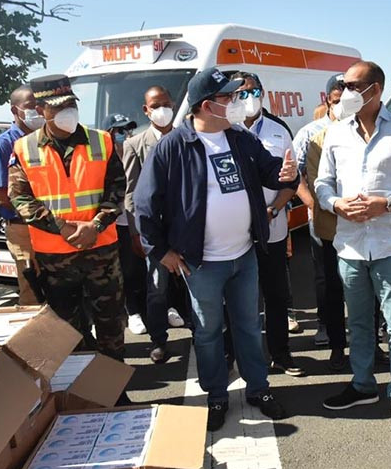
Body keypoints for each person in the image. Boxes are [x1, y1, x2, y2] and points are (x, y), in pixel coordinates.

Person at [133, 66, 297, 431]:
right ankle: (217, 396)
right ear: (208, 105)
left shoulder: (239, 138)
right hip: (201, 263)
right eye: (230, 97)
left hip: (244, 254)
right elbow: (144, 206)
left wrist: (286, 175)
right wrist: (161, 252)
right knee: (207, 332)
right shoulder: (173, 146)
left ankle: (258, 388)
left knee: (249, 327)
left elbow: (271, 171)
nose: (237, 103)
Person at [316, 61, 391, 434]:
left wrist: (388, 203)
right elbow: (323, 184)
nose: (346, 90)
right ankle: (363, 384)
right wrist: (336, 204)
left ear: (376, 89)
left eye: (354, 85)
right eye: (344, 85)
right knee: (359, 322)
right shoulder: (336, 133)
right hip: (350, 246)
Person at [8, 74, 126, 358]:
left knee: (111, 326)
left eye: (71, 104)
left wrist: (96, 225)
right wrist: (60, 227)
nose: (67, 112)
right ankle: (82, 393)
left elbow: (117, 188)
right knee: (68, 333)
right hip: (55, 259)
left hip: (101, 252)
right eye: (58, 107)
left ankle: (116, 391)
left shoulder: (102, 141)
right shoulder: (24, 148)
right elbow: (19, 197)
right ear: (40, 110)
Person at [232, 71, 303, 376]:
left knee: (274, 295)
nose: (248, 98)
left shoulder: (278, 130)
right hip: (234, 233)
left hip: (272, 227)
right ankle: (238, 355)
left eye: (253, 91)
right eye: (241, 93)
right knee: (238, 300)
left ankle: (281, 353)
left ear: (262, 92)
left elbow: (292, 178)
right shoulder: (224, 131)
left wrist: (274, 208)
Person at [122, 86, 186, 364]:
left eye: (166, 103)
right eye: (155, 105)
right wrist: (137, 233)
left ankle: (202, 332)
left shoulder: (188, 138)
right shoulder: (135, 144)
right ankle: (159, 340)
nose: (162, 109)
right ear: (146, 110)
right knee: (157, 287)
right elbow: (131, 195)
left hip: (187, 229)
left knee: (193, 284)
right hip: (156, 232)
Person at [295, 75, 348, 369]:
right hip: (324, 217)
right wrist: (312, 203)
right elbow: (295, 174)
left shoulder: (365, 128)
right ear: (327, 99)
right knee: (326, 278)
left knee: (362, 281)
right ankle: (329, 330)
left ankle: (369, 341)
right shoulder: (311, 133)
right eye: (337, 100)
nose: (343, 105)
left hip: (359, 219)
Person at [0, 85, 43, 305]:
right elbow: (2, 194)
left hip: (51, 226)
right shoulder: (3, 145)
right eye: (30, 107)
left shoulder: (44, 139)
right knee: (32, 289)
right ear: (14, 110)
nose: (37, 111)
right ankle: (33, 339)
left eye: (39, 106)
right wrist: (38, 213)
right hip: (23, 228)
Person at [102, 113, 149, 337]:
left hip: (136, 221)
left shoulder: (133, 152)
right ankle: (132, 312)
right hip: (115, 225)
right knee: (125, 271)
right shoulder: (102, 159)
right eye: (119, 131)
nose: (124, 135)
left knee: (141, 269)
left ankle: (151, 308)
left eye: (127, 130)